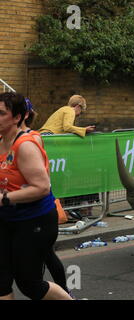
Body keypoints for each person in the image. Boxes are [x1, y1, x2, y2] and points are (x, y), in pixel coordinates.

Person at [0, 92, 72, 300]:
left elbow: (42, 187)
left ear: (17, 117)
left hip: (35, 220)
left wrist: (5, 199)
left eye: (1, 113)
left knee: (30, 284)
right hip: (7, 219)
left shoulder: (25, 145)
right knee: (1, 281)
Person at [22, 98, 71, 295]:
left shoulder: (30, 138)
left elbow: (40, 182)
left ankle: (64, 292)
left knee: (46, 255)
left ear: (22, 115)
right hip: (21, 209)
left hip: (37, 208)